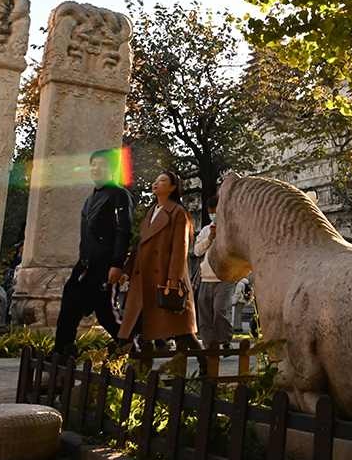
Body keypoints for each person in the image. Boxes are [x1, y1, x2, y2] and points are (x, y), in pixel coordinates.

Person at [54, 150, 133, 355]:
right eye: (93, 164)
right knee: (68, 311)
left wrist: (117, 264)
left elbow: (123, 231)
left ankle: (136, 356)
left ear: (113, 169)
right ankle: (61, 359)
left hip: (105, 265)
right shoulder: (91, 199)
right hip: (85, 264)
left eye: (102, 165)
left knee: (108, 315)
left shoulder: (119, 195)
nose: (96, 169)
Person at [117, 172, 201, 354]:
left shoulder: (178, 212)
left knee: (183, 332)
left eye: (162, 180)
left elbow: (180, 249)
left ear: (172, 188)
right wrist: (127, 271)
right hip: (143, 281)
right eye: (155, 180)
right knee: (126, 332)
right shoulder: (151, 212)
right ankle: (122, 370)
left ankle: (205, 364)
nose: (156, 183)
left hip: (164, 279)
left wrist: (173, 278)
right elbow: (139, 246)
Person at [193, 196, 237, 348]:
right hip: (206, 278)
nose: (213, 214)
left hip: (225, 277)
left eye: (215, 211)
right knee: (204, 316)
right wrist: (210, 238)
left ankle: (224, 340)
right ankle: (209, 345)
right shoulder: (206, 230)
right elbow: (197, 251)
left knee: (220, 310)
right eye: (210, 211)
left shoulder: (232, 229)